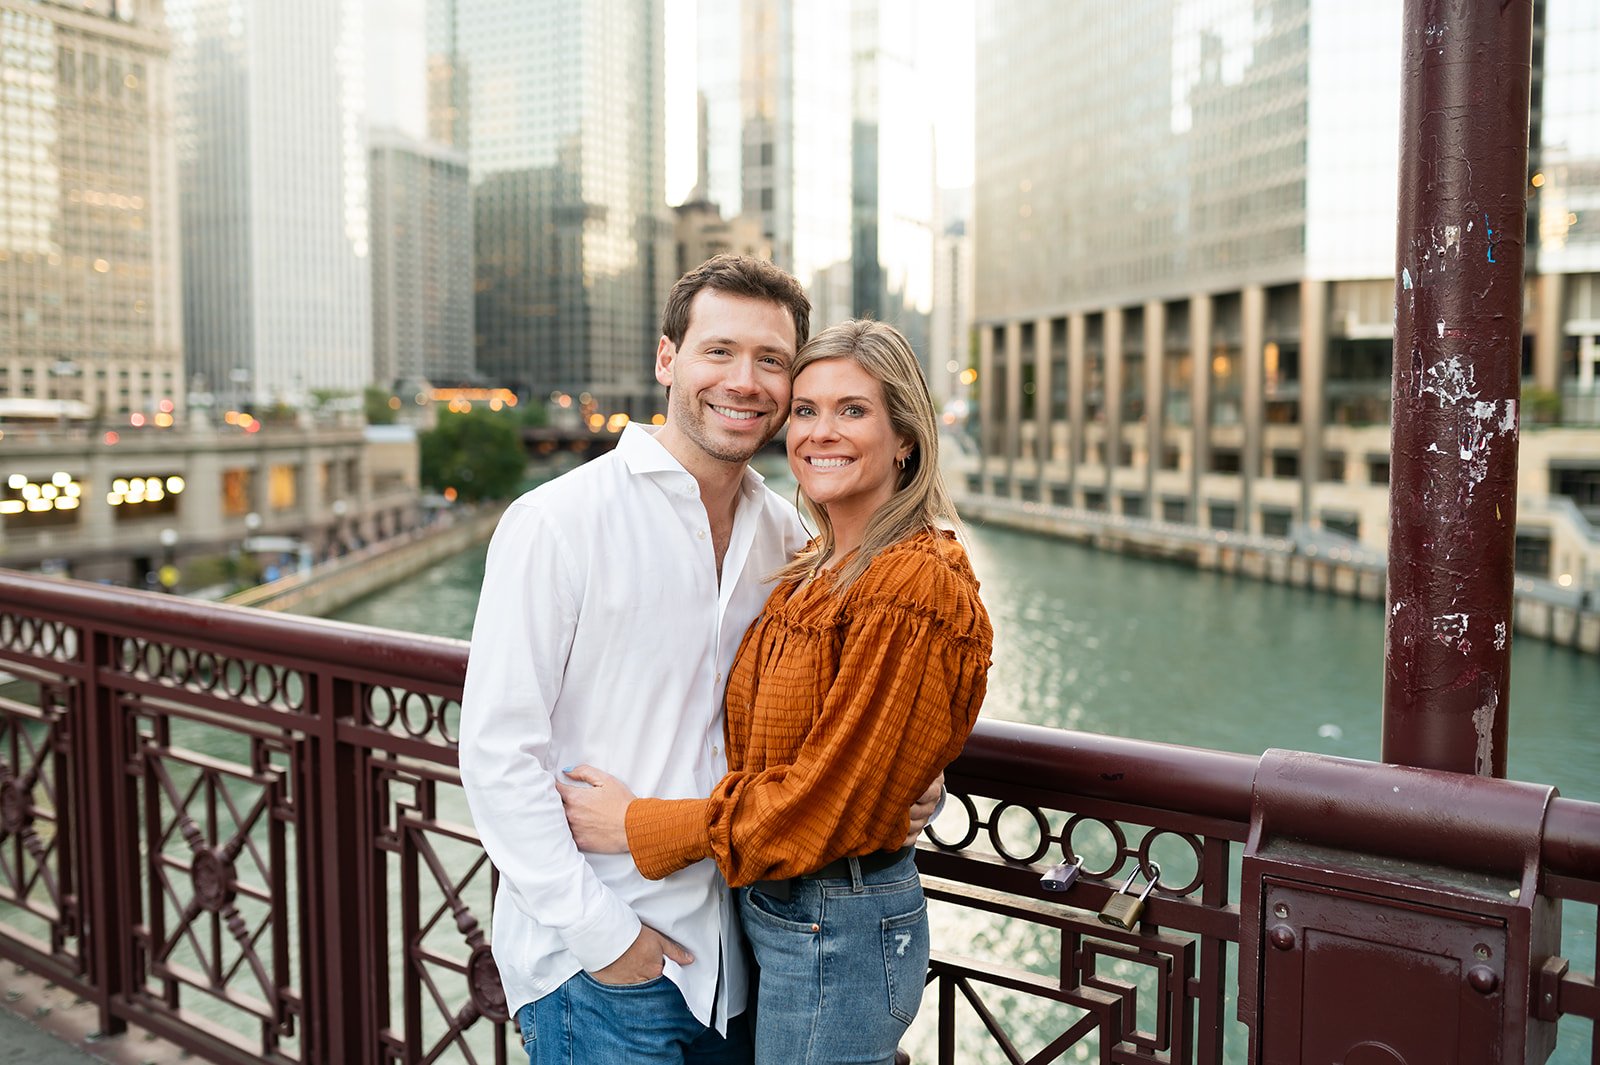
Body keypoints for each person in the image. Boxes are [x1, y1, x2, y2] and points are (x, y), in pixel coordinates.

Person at [458, 257, 940, 1065]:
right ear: (667, 359)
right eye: (720, 351)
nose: (744, 381)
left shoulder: (791, 539)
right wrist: (604, 938)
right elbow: (497, 753)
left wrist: (910, 774)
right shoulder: (557, 522)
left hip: (745, 960)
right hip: (601, 966)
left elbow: (849, 711)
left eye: (771, 360)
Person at [560, 319, 994, 1065]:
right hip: (773, 912)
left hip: (837, 922)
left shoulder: (914, 580)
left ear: (905, 438)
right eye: (805, 410)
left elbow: (822, 800)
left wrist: (638, 825)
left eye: (852, 410)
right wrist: (897, 772)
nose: (821, 432)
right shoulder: (813, 564)